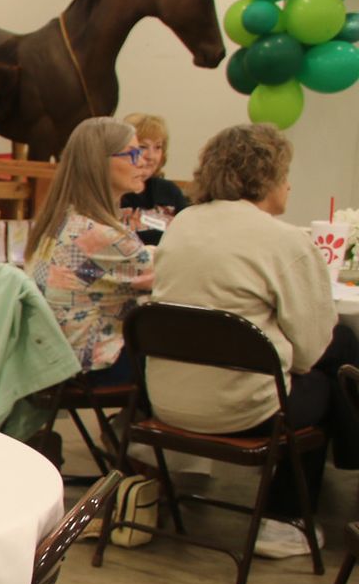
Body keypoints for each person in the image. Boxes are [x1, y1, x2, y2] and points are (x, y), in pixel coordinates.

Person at [148, 122, 359, 559]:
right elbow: (310, 351)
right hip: (242, 411)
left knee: (335, 355)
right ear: (266, 176)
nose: (290, 184)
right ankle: (285, 519)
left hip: (165, 398)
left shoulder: (183, 223)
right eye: (286, 173)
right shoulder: (284, 241)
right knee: (336, 363)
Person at [26, 115, 155, 384]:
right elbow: (167, 273)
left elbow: (137, 261)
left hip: (52, 358)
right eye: (133, 153)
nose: (143, 161)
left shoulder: (63, 220)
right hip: (86, 364)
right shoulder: (98, 235)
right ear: (100, 163)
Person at [118, 112, 188, 244]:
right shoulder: (113, 191)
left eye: (158, 147)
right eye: (143, 147)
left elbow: (186, 237)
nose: (151, 156)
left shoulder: (170, 191)